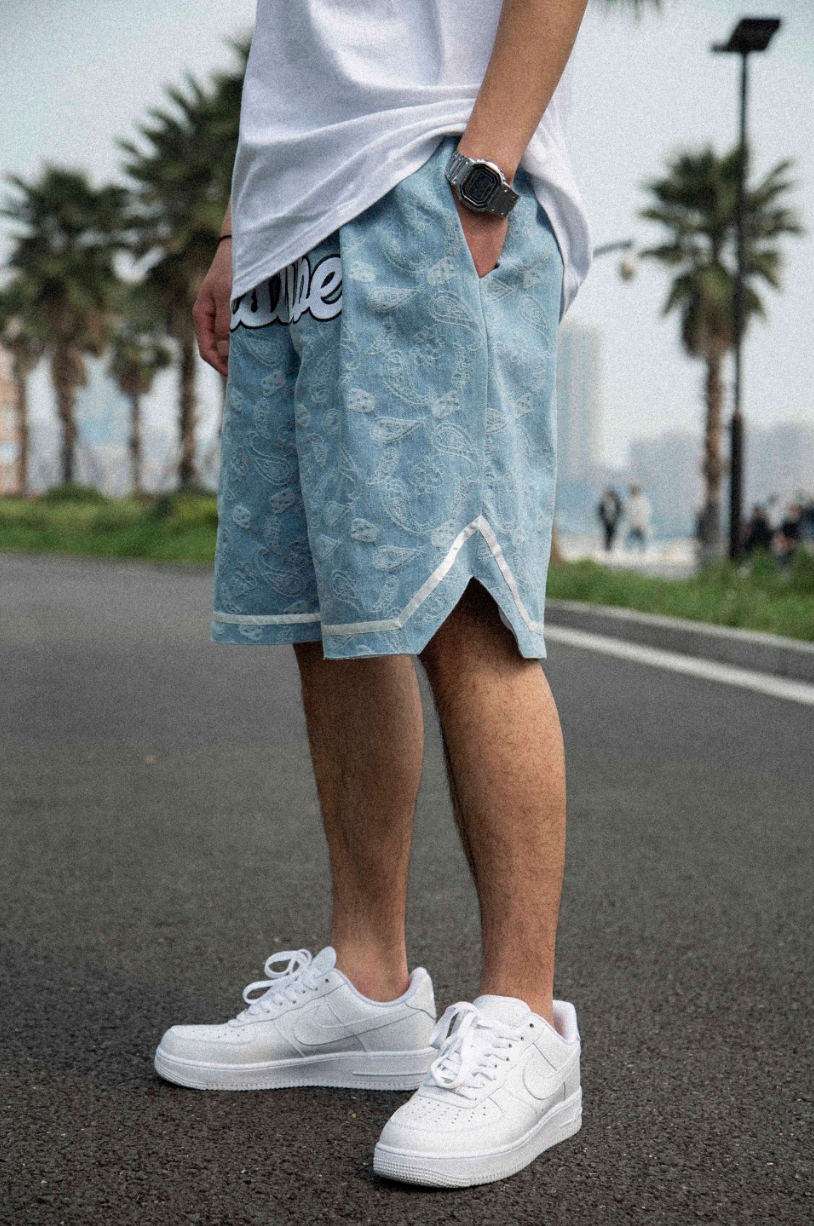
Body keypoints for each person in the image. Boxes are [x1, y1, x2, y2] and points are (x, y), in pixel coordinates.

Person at [155, 0, 592, 1189]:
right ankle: (367, 987)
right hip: (295, 219)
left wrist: (485, 172)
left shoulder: (461, 182)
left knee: (464, 599)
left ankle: (525, 1018)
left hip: (427, 177)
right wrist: (245, 226)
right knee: (335, 620)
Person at [626, 483, 651, 551]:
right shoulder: (630, 501)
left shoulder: (642, 501)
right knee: (631, 539)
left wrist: (643, 523)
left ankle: (643, 551)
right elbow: (629, 513)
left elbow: (645, 513)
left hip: (641, 524)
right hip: (633, 524)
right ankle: (630, 551)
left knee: (641, 539)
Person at [597, 486, 623, 552]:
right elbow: (600, 511)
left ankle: (610, 547)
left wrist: (616, 519)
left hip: (613, 521)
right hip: (606, 521)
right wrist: (603, 519)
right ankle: (607, 548)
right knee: (607, 534)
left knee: (612, 534)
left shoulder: (616, 502)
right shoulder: (604, 502)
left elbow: (619, 511)